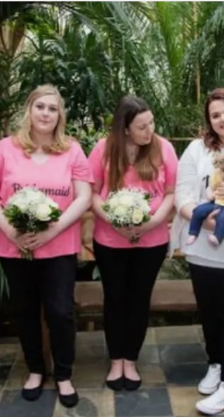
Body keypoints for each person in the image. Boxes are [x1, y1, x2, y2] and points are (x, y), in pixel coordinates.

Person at [0, 84, 93, 408]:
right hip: (15, 246)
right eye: (40, 106)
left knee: (60, 311)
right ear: (29, 110)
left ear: (60, 116)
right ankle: (35, 370)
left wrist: (53, 228)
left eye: (52, 109)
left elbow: (83, 195)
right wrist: (10, 230)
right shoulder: (5, 148)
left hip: (58, 246)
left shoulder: (72, 150)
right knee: (25, 310)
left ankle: (64, 375)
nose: (45, 113)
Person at [87, 96, 178, 391]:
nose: (149, 130)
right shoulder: (103, 149)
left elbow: (170, 193)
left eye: (151, 123)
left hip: (151, 241)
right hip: (110, 241)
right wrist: (115, 222)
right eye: (141, 126)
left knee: (139, 300)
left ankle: (131, 360)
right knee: (115, 299)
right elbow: (93, 194)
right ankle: (116, 361)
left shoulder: (163, 148)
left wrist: (153, 223)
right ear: (125, 128)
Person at [170, 88, 224, 415]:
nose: (222, 119)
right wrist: (204, 222)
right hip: (206, 248)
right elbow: (182, 194)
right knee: (212, 312)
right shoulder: (197, 149)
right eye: (215, 114)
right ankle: (216, 363)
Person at [186, 153, 224, 246]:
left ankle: (217, 237)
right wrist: (210, 194)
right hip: (215, 203)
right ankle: (193, 233)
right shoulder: (217, 175)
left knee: (223, 218)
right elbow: (210, 187)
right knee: (198, 210)